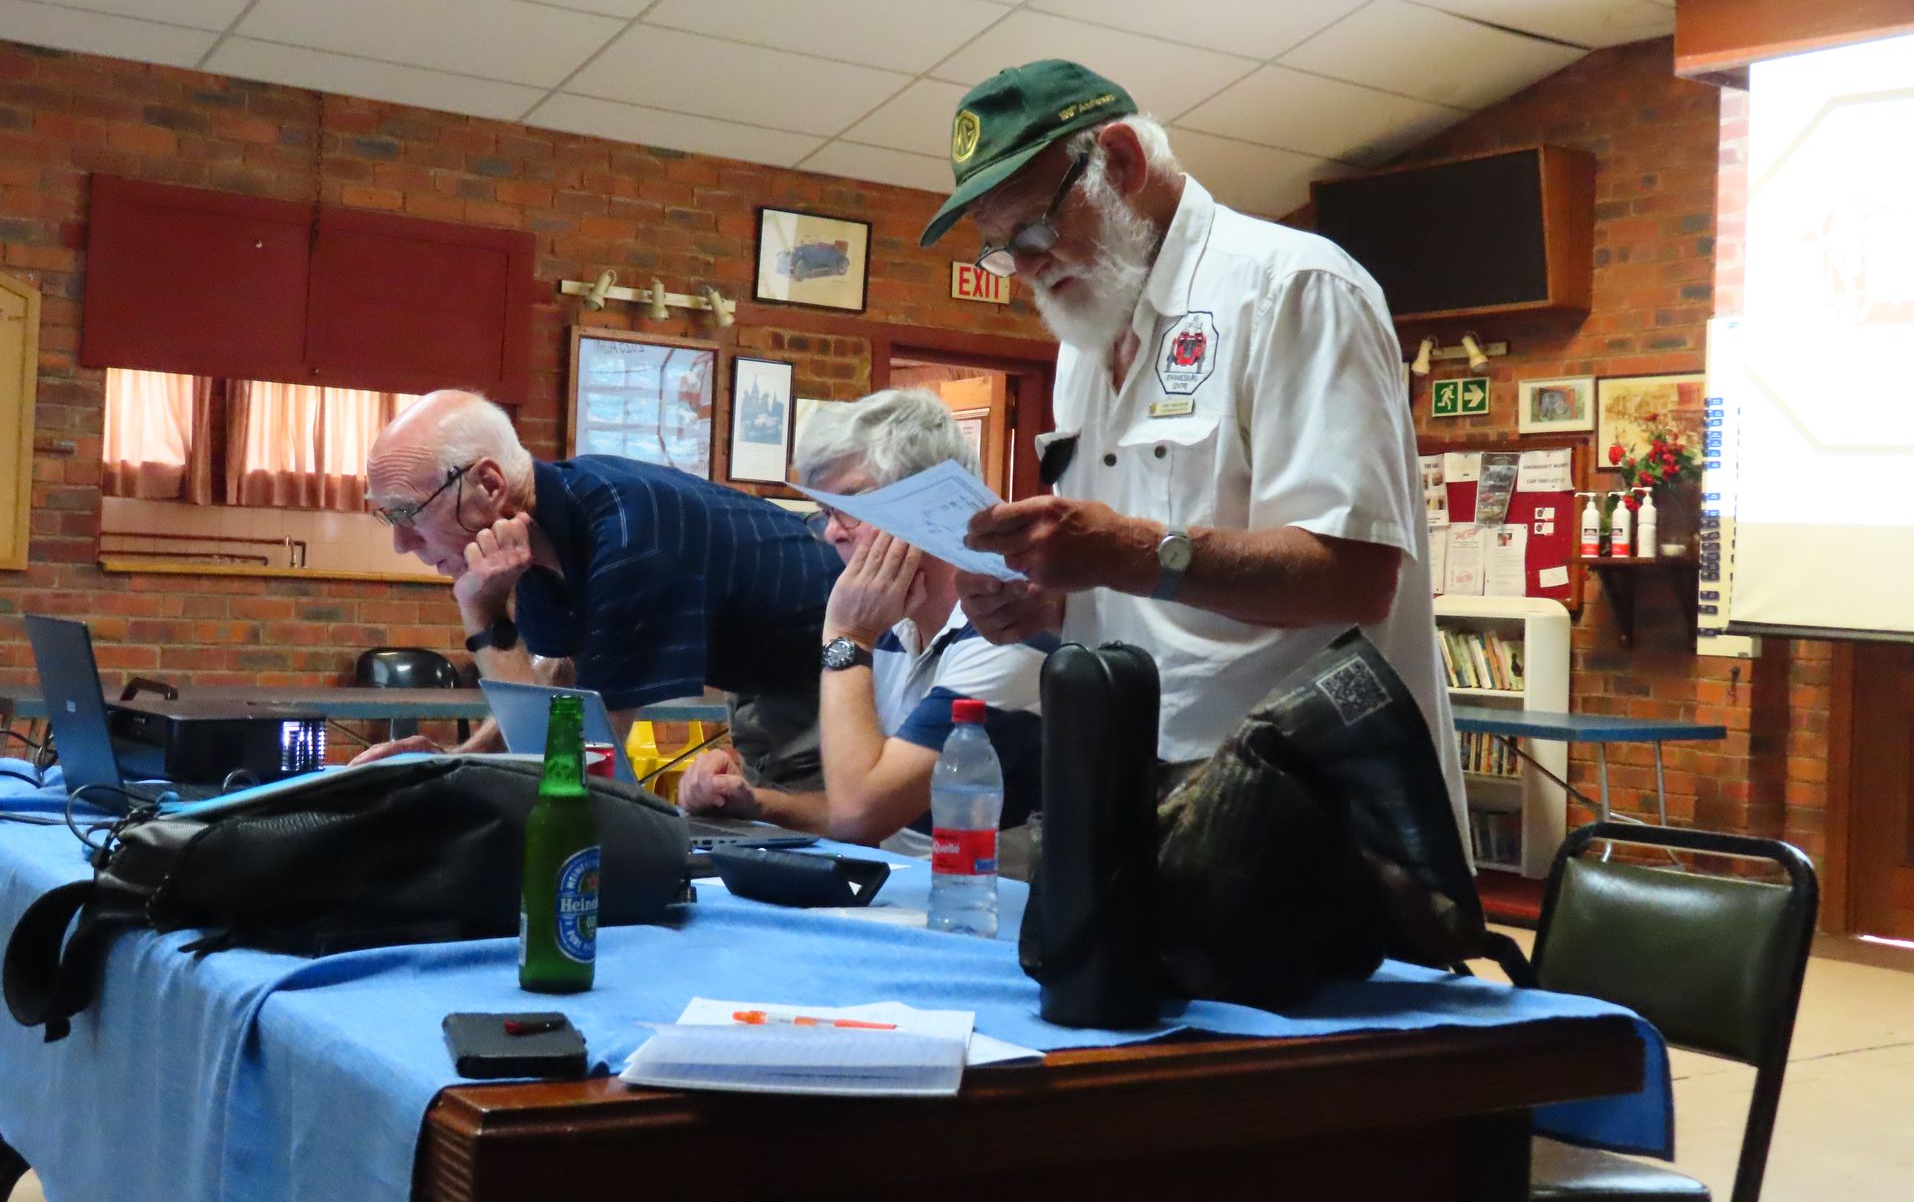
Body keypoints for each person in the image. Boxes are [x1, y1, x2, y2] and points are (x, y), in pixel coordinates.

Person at [921, 59, 1466, 837]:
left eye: (1036, 231)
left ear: (1121, 162)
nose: (1029, 269)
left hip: (1299, 814)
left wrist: (1124, 554)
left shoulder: (1294, 289)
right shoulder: (1087, 336)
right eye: (1004, 251)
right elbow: (1138, 594)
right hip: (1130, 782)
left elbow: (1354, 577)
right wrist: (1045, 601)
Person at [355, 390, 840, 782]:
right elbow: (562, 679)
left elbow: (581, 772)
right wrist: (456, 760)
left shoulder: (632, 534)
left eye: (407, 512)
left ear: (489, 485)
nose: (401, 543)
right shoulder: (547, 526)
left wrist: (483, 614)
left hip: (849, 669)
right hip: (764, 683)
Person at [674, 389, 1044, 865]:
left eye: (851, 504)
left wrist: (846, 638)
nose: (832, 531)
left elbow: (861, 816)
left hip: (979, 913)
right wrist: (755, 802)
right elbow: (867, 806)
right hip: (896, 892)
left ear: (930, 501)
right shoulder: (894, 626)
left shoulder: (1008, 632)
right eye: (827, 512)